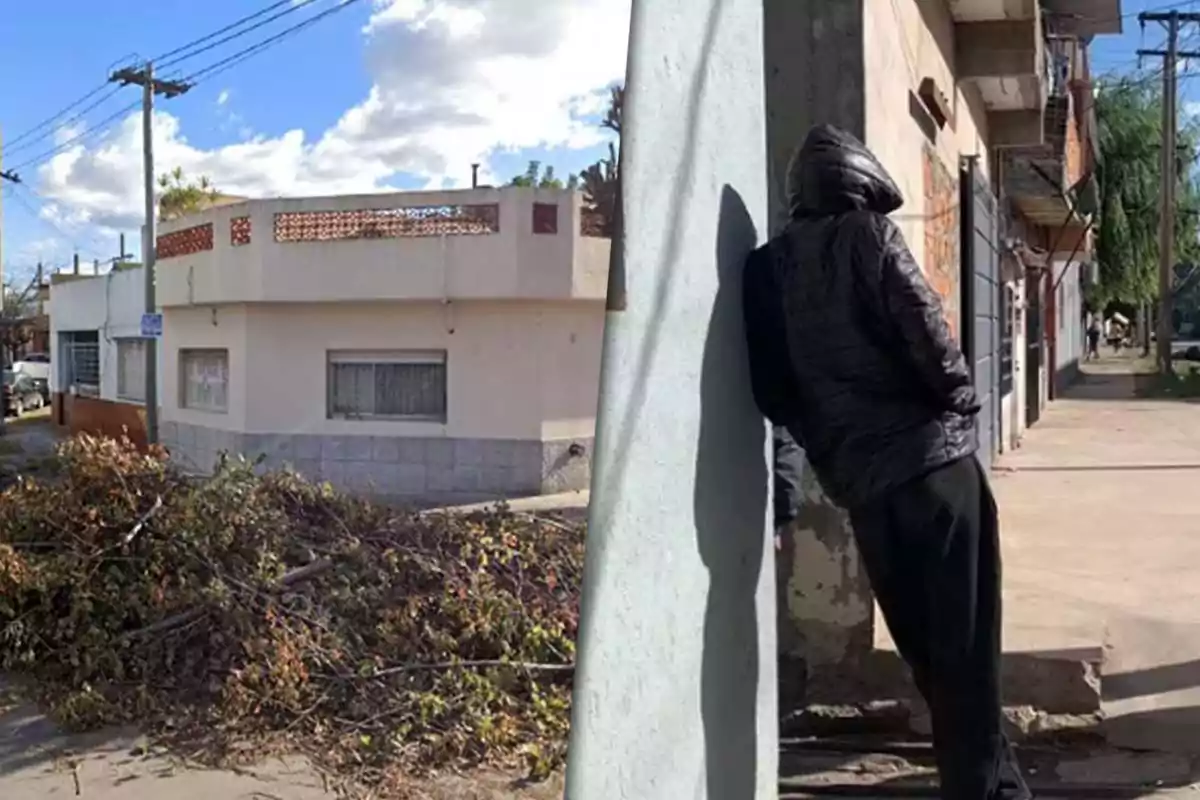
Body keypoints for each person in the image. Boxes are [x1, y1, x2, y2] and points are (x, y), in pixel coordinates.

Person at [741, 124, 1029, 800]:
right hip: (937, 476)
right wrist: (960, 409)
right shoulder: (869, 236)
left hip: (867, 494)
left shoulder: (763, 270)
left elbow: (774, 394)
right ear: (857, 180)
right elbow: (933, 339)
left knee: (931, 660)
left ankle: (998, 787)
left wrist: (832, 452)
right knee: (967, 661)